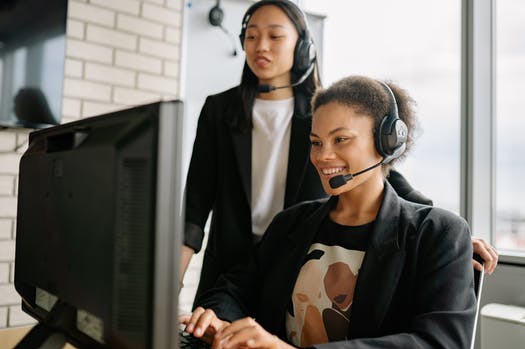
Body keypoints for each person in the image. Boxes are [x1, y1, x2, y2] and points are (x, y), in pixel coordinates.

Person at [181, 0, 498, 306]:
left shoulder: (323, 112)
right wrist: (172, 282)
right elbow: (195, 204)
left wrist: (439, 237)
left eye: (275, 36)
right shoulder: (219, 110)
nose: (261, 46)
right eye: (251, 36)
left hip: (293, 260)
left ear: (304, 47)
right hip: (230, 269)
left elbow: (379, 170)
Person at [180, 76, 477, 349]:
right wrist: (219, 320)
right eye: (316, 142)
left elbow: (440, 343)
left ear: (386, 143)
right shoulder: (291, 223)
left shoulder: (438, 233)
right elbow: (233, 288)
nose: (323, 156)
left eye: (341, 139)